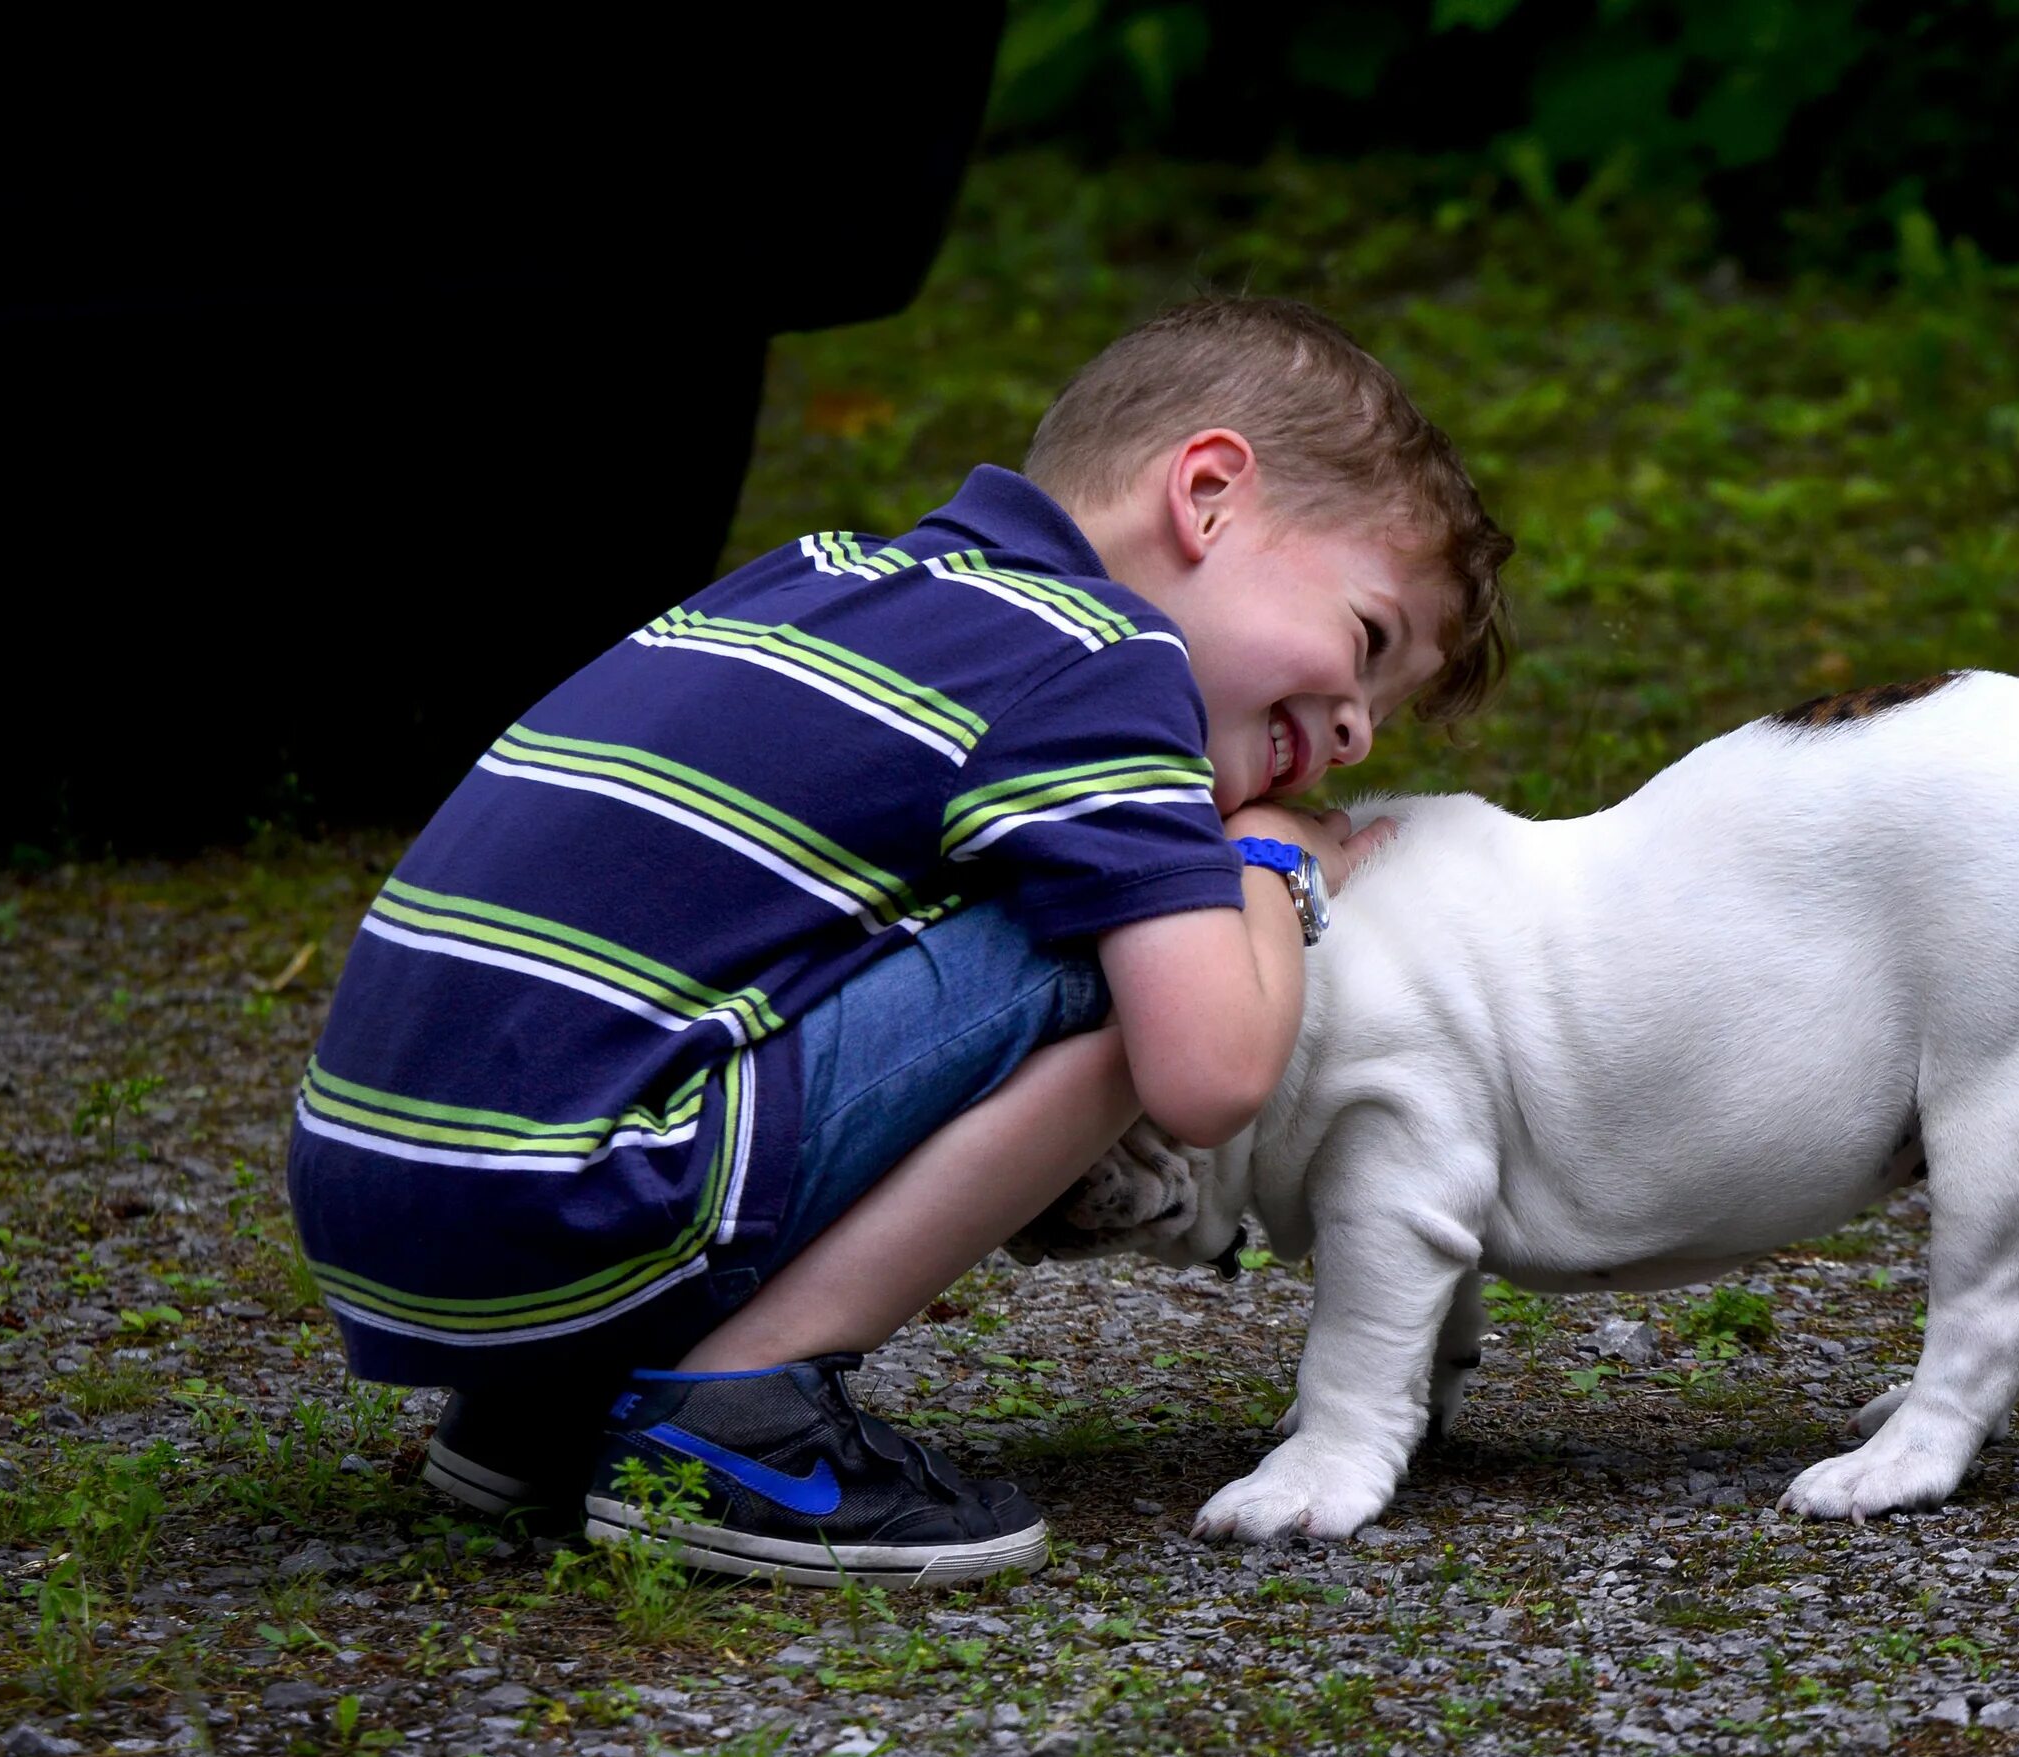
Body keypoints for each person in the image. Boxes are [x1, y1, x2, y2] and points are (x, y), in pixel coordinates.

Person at [285, 297, 1513, 1587]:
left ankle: (549, 1409)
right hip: (573, 1199)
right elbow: (1207, 1075)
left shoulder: (821, 580)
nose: (1362, 734)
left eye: (1384, 708)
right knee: (1118, 939)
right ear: (1205, 495)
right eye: (1368, 642)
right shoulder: (1101, 662)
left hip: (392, 1205)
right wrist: (1262, 862)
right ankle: (736, 1420)